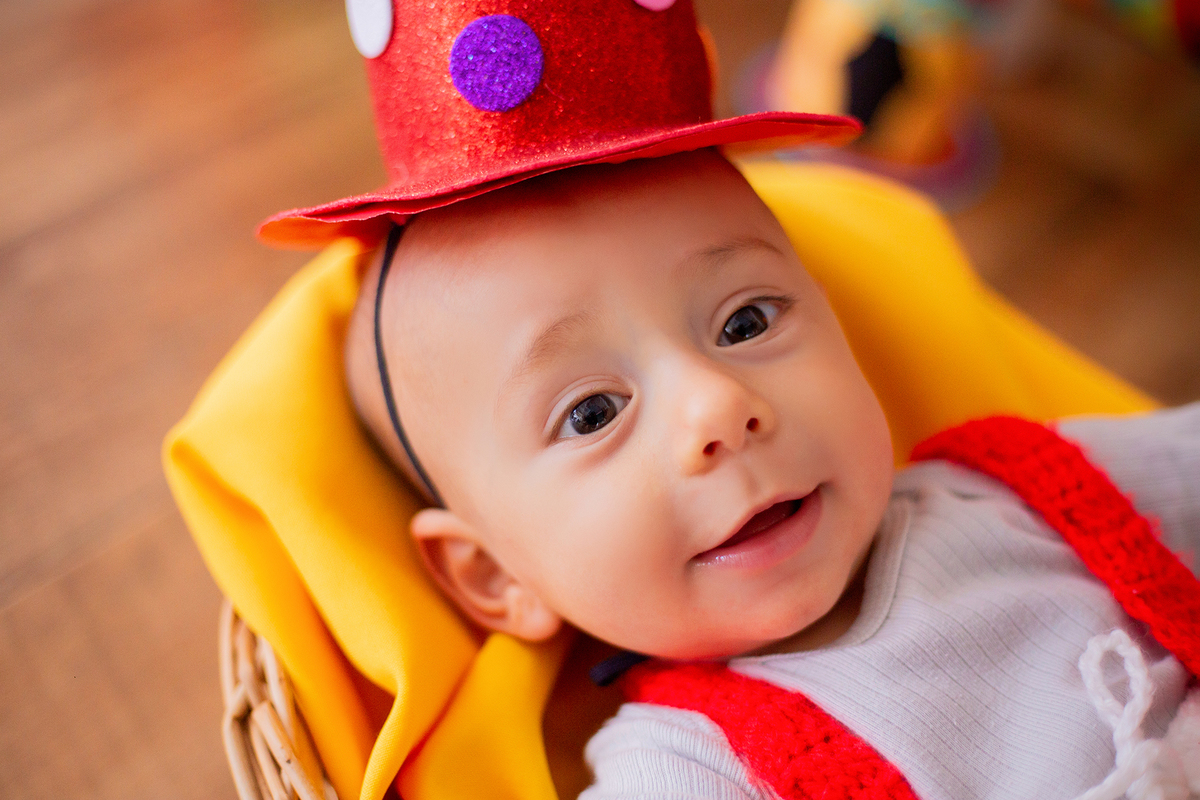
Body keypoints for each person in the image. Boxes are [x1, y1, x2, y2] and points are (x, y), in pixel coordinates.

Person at [257, 2, 1200, 797]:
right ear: (494, 576)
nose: (717, 406)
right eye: (592, 413)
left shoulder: (1025, 489)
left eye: (747, 321)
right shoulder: (689, 770)